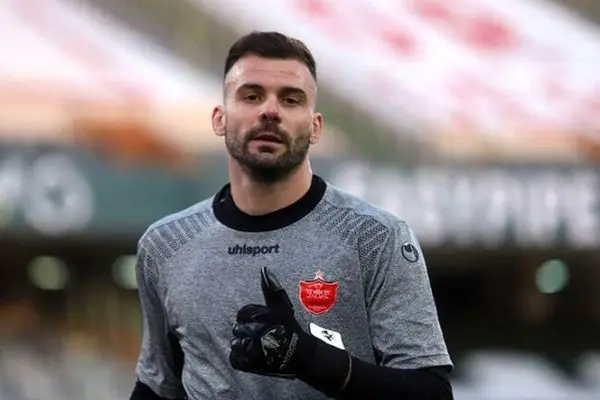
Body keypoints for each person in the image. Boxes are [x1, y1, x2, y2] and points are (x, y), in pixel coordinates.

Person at [129, 31, 454, 400]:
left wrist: (307, 357)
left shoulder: (375, 237)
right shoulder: (165, 245)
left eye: (291, 99)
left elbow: (432, 393)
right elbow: (157, 388)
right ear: (220, 119)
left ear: (315, 127)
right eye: (251, 96)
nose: (270, 111)